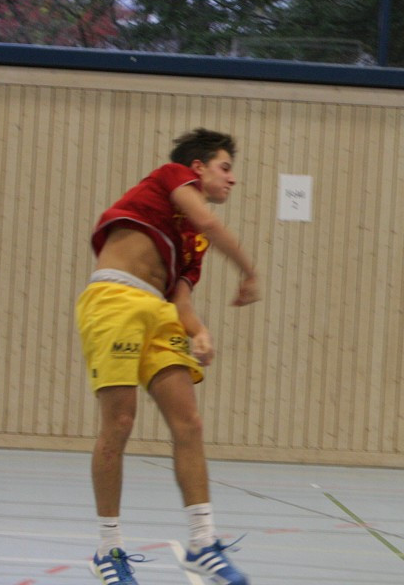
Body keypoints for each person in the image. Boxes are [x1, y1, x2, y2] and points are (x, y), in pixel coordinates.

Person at [76, 128, 260, 585]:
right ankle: (107, 549)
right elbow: (214, 225)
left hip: (159, 313)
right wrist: (250, 273)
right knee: (119, 423)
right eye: (225, 167)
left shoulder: (190, 244)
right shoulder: (171, 177)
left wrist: (199, 332)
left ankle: (202, 542)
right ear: (197, 168)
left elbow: (181, 299)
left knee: (189, 422)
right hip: (115, 298)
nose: (232, 179)